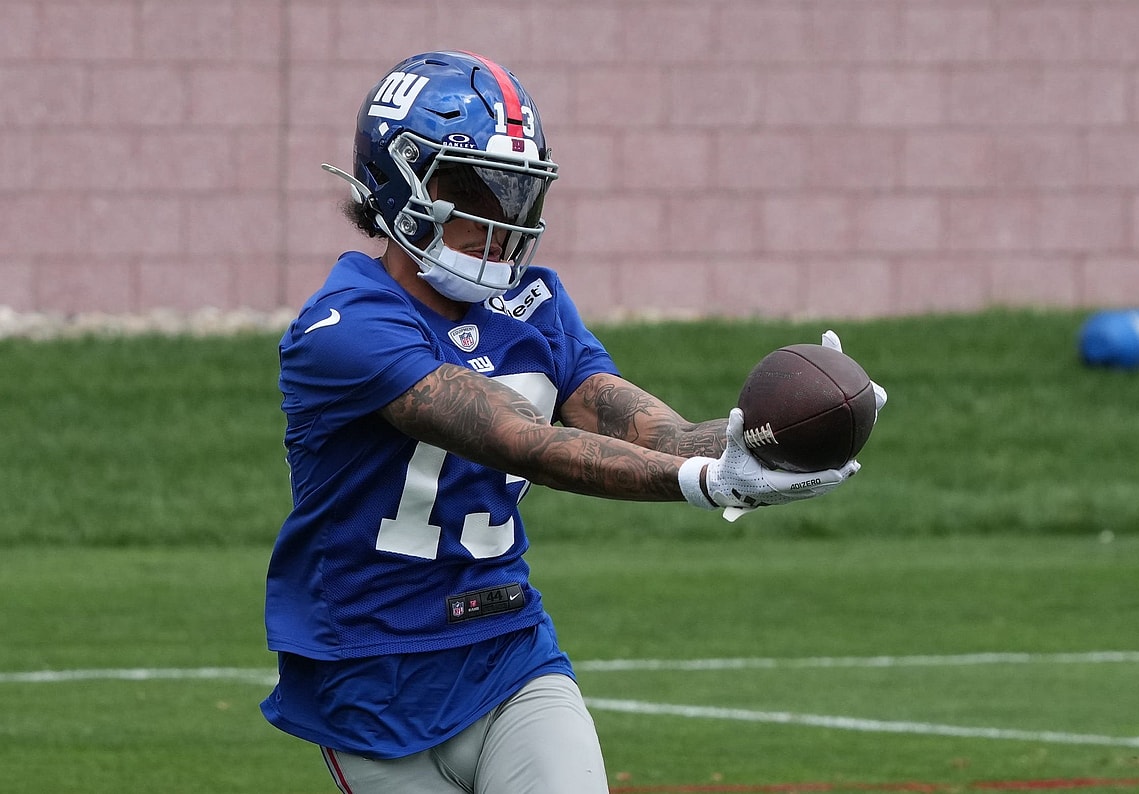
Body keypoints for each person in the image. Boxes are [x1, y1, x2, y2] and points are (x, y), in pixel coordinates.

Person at [260, 50, 881, 794]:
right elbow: (522, 441)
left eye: (514, 192)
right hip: (366, 674)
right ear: (399, 182)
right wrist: (705, 484)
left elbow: (655, 433)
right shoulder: (346, 324)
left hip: (506, 648)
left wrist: (768, 441)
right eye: (471, 188)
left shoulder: (535, 304)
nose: (497, 219)